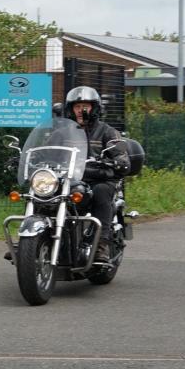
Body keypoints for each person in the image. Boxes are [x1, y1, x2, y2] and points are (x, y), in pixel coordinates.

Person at [64, 86, 130, 264]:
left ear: (95, 108)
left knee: (101, 192)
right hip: (70, 180)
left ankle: (102, 245)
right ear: (71, 109)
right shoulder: (63, 131)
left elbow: (121, 155)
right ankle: (29, 242)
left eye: (85, 106)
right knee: (41, 193)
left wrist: (119, 161)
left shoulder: (107, 131)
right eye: (77, 107)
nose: (81, 111)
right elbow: (47, 150)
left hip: (99, 178)